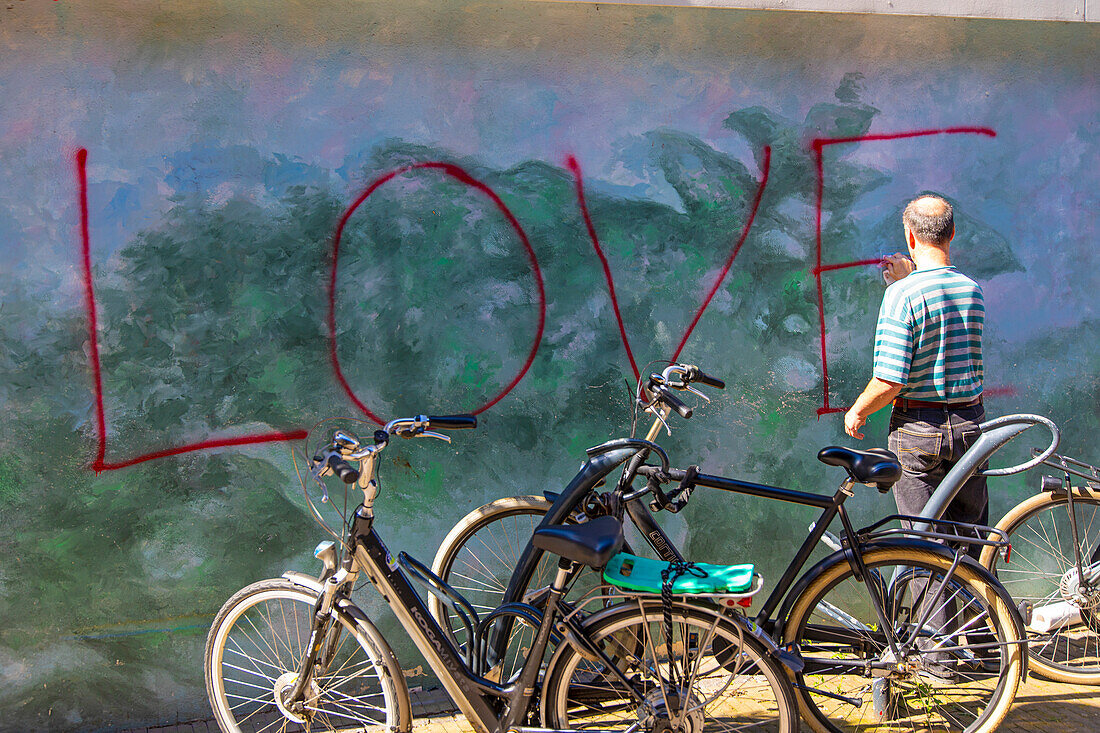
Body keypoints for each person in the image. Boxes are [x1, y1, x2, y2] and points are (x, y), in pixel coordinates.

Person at [844, 194, 988, 540]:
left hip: (919, 430)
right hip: (970, 426)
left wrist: (858, 411)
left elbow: (891, 380)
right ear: (951, 233)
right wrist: (908, 280)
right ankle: (977, 594)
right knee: (970, 539)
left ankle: (932, 597)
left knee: (924, 546)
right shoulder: (972, 290)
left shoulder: (902, 296)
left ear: (910, 237)